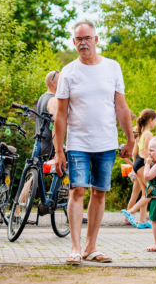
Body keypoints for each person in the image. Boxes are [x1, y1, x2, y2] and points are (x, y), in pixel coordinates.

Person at [53, 20, 135, 264]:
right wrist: (59, 150)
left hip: (107, 143)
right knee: (77, 190)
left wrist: (130, 139)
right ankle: (75, 248)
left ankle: (91, 247)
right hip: (78, 142)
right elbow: (60, 114)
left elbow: (120, 106)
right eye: (78, 39)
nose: (83, 43)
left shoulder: (112, 67)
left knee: (99, 193)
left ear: (96, 40)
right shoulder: (68, 71)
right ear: (74, 42)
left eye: (87, 38)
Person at [122, 109, 156, 228]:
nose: (155, 123)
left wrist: (135, 166)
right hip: (143, 163)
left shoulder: (140, 134)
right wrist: (150, 165)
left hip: (137, 163)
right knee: (151, 191)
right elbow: (148, 151)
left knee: (145, 193)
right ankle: (131, 212)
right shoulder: (148, 134)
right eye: (155, 120)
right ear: (150, 120)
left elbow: (134, 153)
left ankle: (142, 220)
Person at [36, 70, 59, 162]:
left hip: (39, 146)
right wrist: (58, 151)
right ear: (53, 83)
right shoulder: (53, 100)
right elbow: (55, 127)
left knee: (39, 174)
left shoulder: (42, 97)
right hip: (49, 149)